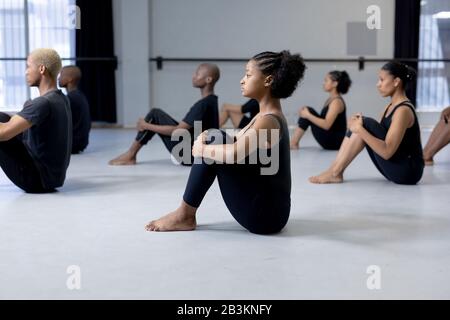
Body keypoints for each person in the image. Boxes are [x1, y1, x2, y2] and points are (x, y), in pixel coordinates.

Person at [145, 50, 306, 234]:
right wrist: (208, 136)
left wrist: (200, 149)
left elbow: (234, 153)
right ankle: (185, 214)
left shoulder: (268, 120)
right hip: (271, 213)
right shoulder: (265, 117)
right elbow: (238, 140)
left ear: (268, 81)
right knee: (215, 136)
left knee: (215, 139)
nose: (242, 80)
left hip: (265, 217)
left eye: (248, 74)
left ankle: (184, 215)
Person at [309, 61, 424, 185]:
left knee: (363, 124)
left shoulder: (403, 110)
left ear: (396, 82)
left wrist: (360, 129)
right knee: (360, 122)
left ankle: (335, 172)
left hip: (408, 172)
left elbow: (387, 152)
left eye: (381, 80)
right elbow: (377, 137)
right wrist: (357, 126)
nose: (377, 84)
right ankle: (334, 170)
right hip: (398, 167)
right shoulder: (390, 106)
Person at [109, 63, 220, 166]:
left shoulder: (202, 105)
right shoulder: (212, 101)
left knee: (154, 115)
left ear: (208, 79)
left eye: (197, 74)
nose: (193, 76)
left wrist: (146, 126)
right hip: (199, 154)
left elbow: (177, 131)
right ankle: (131, 154)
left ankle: (131, 154)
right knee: (156, 114)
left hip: (190, 156)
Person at [0, 48, 72, 193]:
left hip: (36, 180)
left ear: (41, 69)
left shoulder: (42, 103)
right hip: (52, 178)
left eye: (28, 66)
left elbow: (3, 134)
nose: (26, 71)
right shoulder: (60, 98)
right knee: (3, 117)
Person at [290, 70, 351, 150]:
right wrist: (307, 114)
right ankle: (293, 143)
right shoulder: (331, 99)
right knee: (308, 110)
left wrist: (308, 115)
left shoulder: (337, 102)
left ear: (335, 84)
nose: (323, 83)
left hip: (334, 142)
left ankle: (293, 143)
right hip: (330, 137)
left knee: (309, 111)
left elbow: (326, 125)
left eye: (326, 80)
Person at [58, 65, 91, 154]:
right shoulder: (79, 96)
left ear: (69, 79)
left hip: (72, 145)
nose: (58, 78)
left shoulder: (70, 99)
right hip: (80, 143)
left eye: (61, 75)